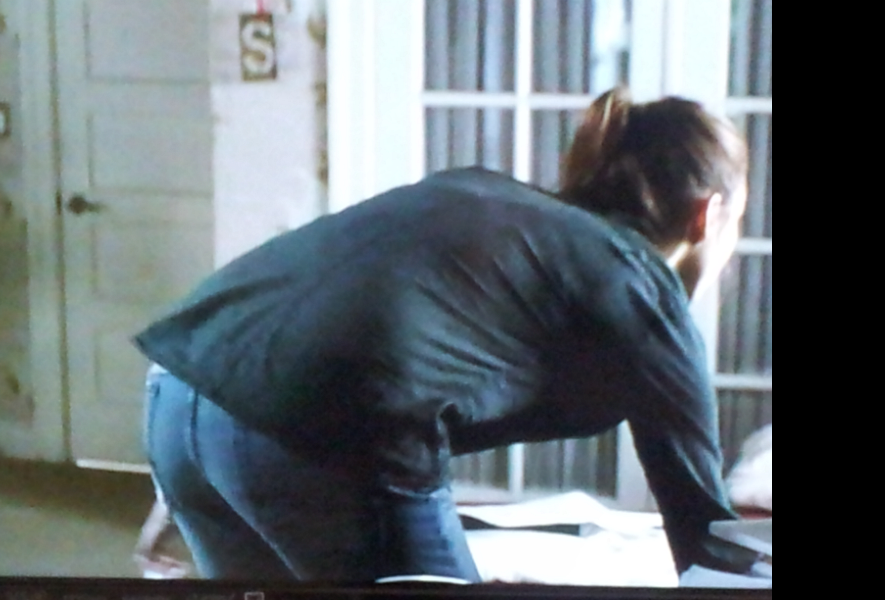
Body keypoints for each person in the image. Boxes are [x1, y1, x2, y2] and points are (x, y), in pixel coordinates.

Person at [134, 88, 760, 582]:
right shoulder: (642, 284)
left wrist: (198, 460)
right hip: (309, 427)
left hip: (181, 393)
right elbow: (704, 538)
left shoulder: (486, 194)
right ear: (707, 215)